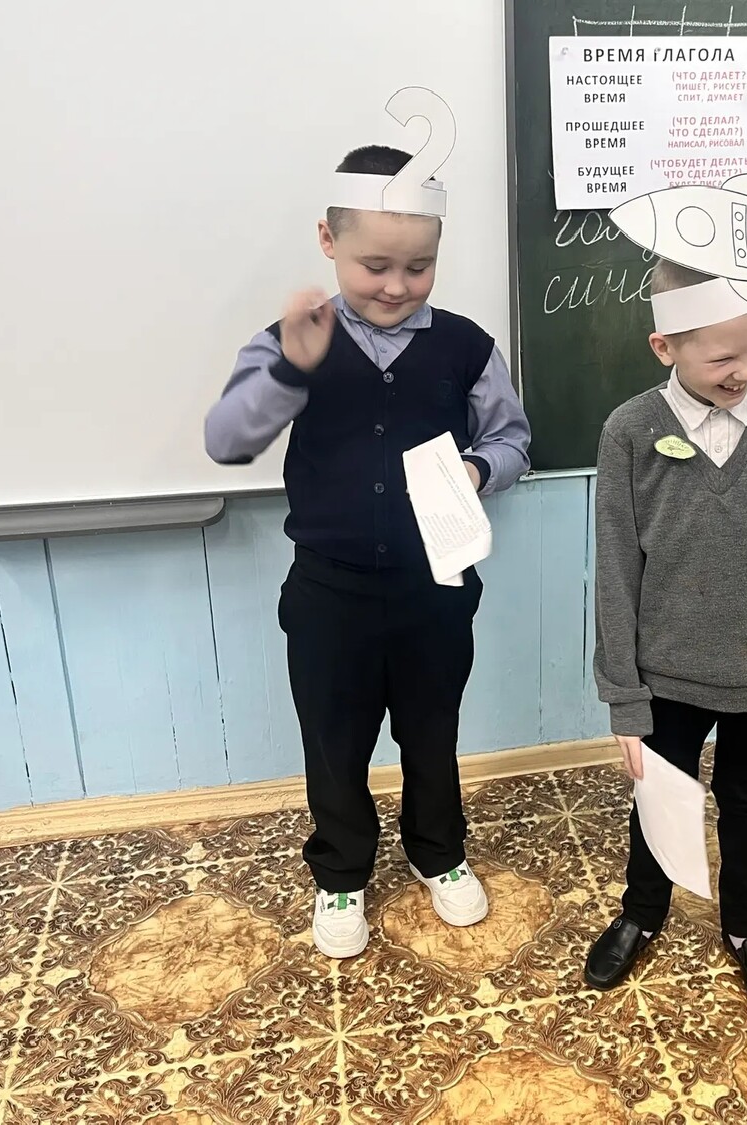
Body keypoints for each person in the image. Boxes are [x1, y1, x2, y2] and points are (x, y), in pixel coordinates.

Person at [205, 144, 531, 958]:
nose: (396, 285)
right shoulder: (292, 342)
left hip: (436, 587)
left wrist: (478, 468)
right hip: (330, 592)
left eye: (418, 267)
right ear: (329, 241)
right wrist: (291, 368)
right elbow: (227, 438)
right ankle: (341, 871)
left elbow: (513, 439)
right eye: (375, 265)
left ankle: (438, 851)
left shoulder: (465, 346)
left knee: (432, 729)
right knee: (334, 740)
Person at [585, 260, 747, 1014]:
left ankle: (745, 928)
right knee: (658, 799)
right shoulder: (630, 431)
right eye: (723, 357)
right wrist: (624, 696)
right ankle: (642, 913)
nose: (746, 370)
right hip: (665, 674)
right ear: (664, 347)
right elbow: (615, 572)